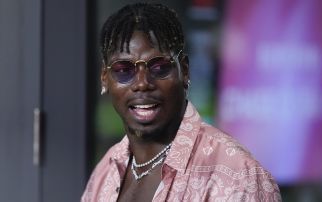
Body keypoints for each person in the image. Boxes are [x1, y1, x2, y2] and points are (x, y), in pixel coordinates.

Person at [82, 3, 281, 202]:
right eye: (124, 70)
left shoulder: (238, 178)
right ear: (105, 78)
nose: (142, 84)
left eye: (159, 67)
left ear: (184, 71)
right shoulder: (106, 171)